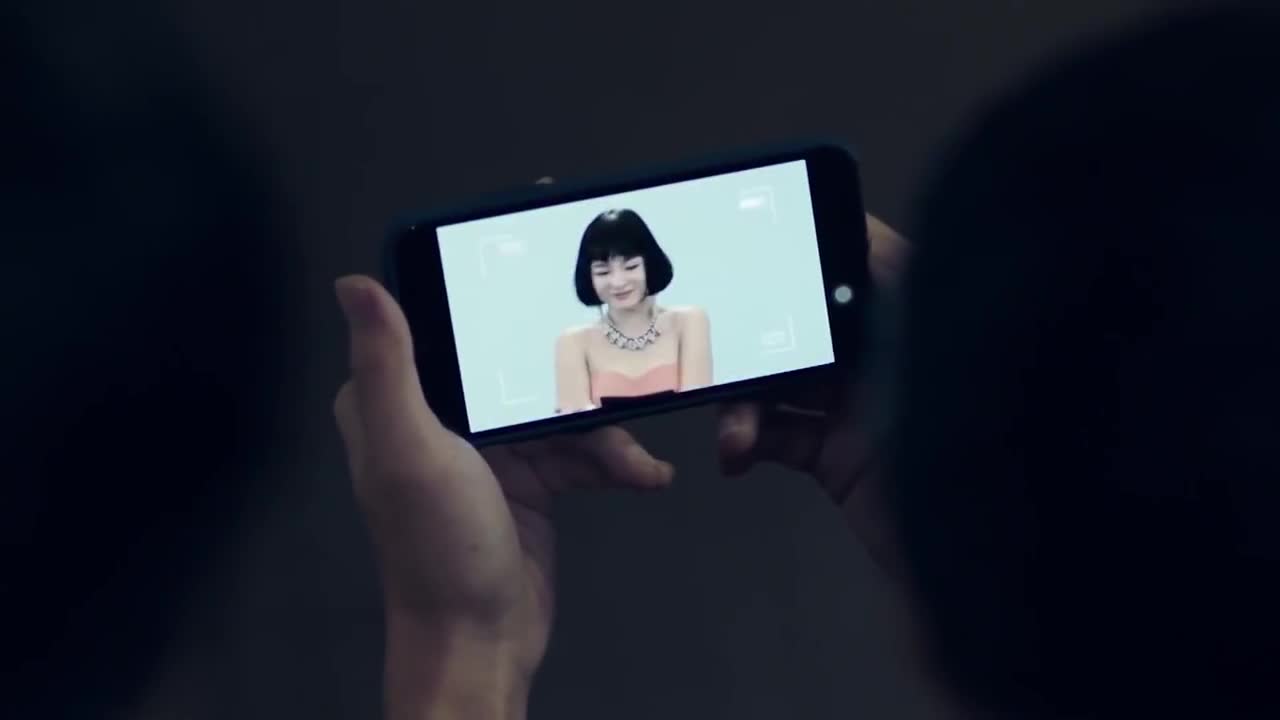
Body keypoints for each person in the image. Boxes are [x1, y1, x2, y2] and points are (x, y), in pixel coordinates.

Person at [333, 5, 1278, 719]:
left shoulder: (691, 329)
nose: (617, 276)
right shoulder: (574, 348)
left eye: (630, 261)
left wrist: (462, 649)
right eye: (602, 265)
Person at [554, 208, 712, 413]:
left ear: (649, 265)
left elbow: (698, 410)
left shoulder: (689, 321)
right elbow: (576, 422)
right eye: (603, 272)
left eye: (630, 267)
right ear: (589, 277)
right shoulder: (573, 342)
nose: (618, 282)